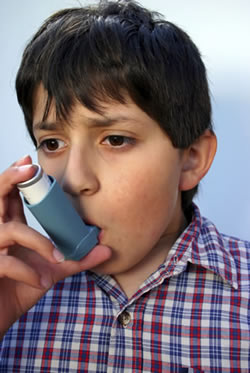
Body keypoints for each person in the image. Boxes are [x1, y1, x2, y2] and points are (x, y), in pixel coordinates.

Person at [0, 0, 249, 372]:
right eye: (52, 143)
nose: (75, 180)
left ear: (192, 159)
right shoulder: (11, 289)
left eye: (115, 139)